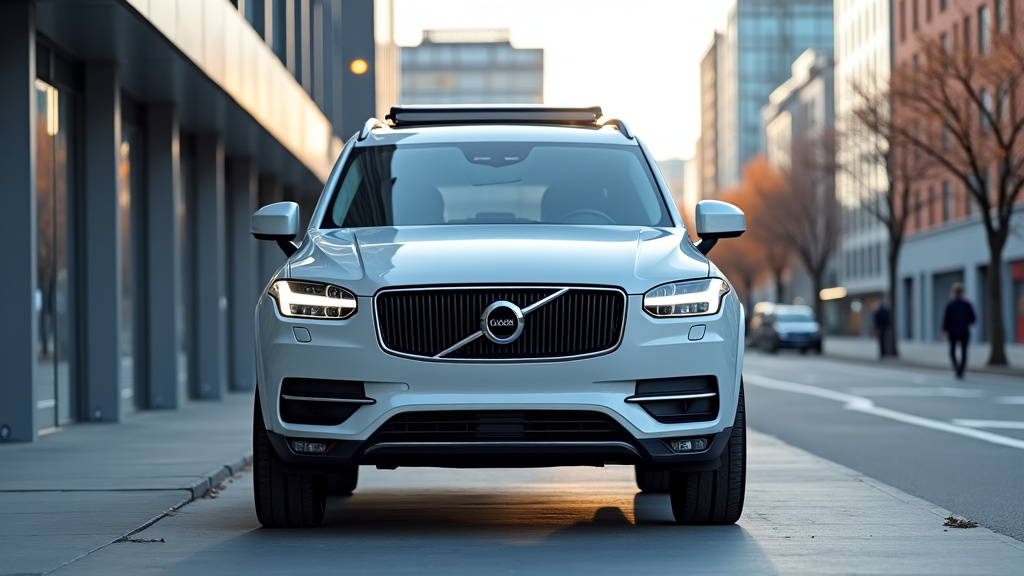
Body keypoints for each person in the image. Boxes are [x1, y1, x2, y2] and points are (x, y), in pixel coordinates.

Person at [941, 283, 976, 379]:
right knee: (964, 351)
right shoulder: (967, 304)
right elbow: (973, 319)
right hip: (964, 331)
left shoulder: (950, 305)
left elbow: (945, 319)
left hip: (953, 332)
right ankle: (961, 369)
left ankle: (957, 368)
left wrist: (944, 331)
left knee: (952, 351)